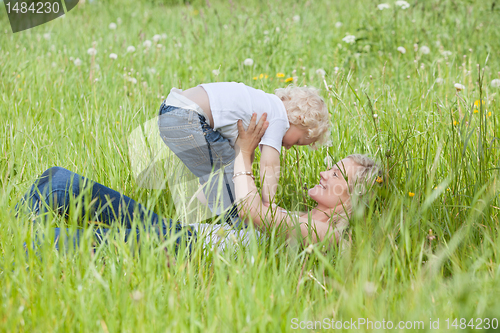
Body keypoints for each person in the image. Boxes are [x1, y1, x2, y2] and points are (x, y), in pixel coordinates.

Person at [16, 113, 380, 252]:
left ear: (351, 199)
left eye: (335, 175)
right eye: (330, 167)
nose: (323, 173)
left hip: (188, 248)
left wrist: (245, 152)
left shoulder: (328, 234)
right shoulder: (316, 222)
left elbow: (252, 211)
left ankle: (18, 242)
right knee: (63, 181)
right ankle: (16, 223)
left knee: (93, 243)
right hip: (188, 233)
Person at [158, 83, 329, 227]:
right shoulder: (279, 118)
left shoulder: (262, 104)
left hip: (170, 111)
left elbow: (244, 158)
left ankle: (192, 212)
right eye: (298, 141)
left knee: (219, 176)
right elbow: (269, 164)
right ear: (299, 119)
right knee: (229, 176)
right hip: (188, 117)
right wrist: (269, 203)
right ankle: (240, 226)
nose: (291, 147)